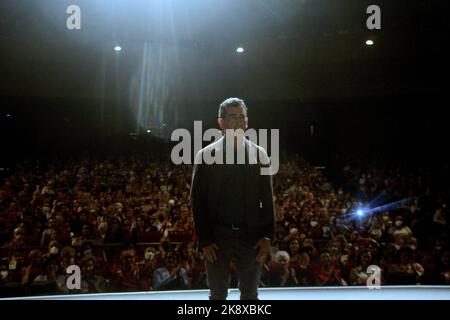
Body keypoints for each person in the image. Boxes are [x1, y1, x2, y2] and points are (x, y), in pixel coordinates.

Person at [190, 97, 275, 300]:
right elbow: (197, 201)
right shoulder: (206, 155)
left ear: (247, 121)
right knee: (218, 294)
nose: (238, 121)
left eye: (242, 117)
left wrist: (267, 236)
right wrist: (205, 240)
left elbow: (268, 199)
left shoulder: (260, 154)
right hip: (217, 237)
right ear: (221, 122)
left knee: (250, 294)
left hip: (251, 236)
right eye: (232, 117)